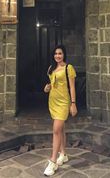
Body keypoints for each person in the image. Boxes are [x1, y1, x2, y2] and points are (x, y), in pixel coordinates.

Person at [43, 44, 78, 176]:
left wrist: (73, 103)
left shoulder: (68, 68)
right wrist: (47, 88)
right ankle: (63, 154)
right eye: (56, 54)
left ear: (64, 55)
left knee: (56, 130)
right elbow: (51, 84)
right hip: (53, 101)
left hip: (64, 102)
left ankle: (53, 162)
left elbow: (72, 87)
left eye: (60, 53)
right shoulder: (52, 68)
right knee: (61, 129)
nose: (58, 56)